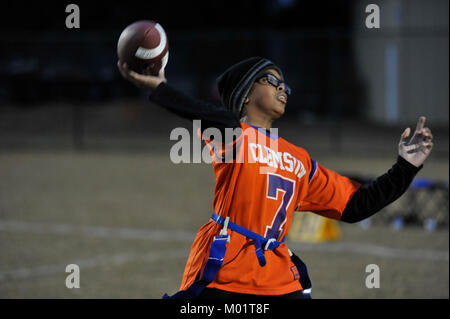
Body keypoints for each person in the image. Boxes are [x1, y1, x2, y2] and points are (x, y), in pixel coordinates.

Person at [117, 57, 433, 299]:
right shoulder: (235, 138)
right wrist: (160, 88)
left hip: (278, 278)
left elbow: (356, 205)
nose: (283, 89)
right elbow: (215, 117)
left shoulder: (299, 158)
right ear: (245, 93)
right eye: (272, 81)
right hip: (226, 272)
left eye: (286, 86)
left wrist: (405, 166)